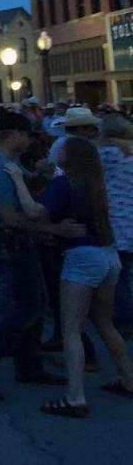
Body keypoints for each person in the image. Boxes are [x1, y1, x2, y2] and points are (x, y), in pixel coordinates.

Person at [5, 137, 133, 416]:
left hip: (82, 258)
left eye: (61, 149)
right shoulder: (95, 185)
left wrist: (17, 179)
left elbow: (34, 211)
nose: (55, 151)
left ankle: (75, 397)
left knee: (71, 327)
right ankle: (128, 380)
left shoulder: (65, 183)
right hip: (108, 255)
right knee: (104, 322)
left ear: (71, 156)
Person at [0, 110, 80, 402]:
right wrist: (53, 228)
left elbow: (28, 188)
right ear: (15, 135)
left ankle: (28, 364)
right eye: (27, 135)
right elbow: (10, 217)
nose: (29, 141)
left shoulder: (6, 162)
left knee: (32, 302)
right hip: (9, 239)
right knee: (27, 305)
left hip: (12, 238)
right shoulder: (1, 167)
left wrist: (40, 175)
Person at [97, 113, 133, 333]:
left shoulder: (107, 154)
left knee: (118, 278)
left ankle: (124, 319)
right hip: (130, 221)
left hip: (115, 223)